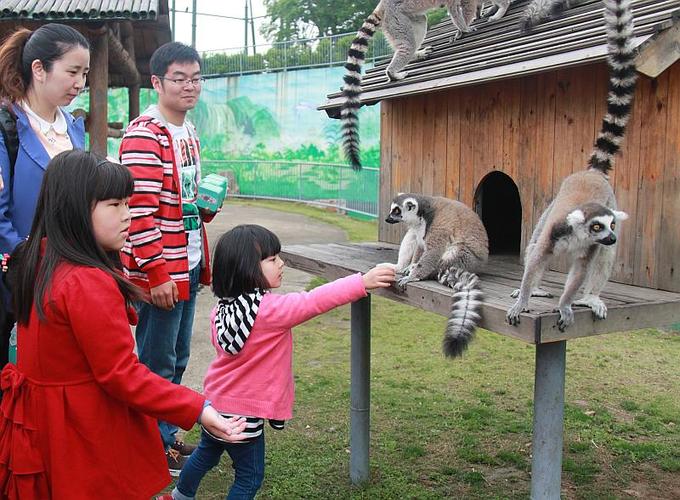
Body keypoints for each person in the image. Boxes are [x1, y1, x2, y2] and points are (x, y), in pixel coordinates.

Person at [0, 150, 248, 499]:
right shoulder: (86, 281)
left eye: (127, 204)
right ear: (73, 208)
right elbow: (121, 373)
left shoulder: (37, 259)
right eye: (115, 204)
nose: (127, 216)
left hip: (41, 423)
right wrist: (198, 407)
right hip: (79, 430)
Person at [164, 224, 395, 500]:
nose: (281, 263)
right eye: (272, 259)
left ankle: (179, 496)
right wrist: (361, 282)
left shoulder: (223, 308)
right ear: (246, 267)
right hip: (244, 415)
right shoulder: (269, 311)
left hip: (214, 406)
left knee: (205, 455)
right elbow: (314, 301)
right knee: (249, 477)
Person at [119, 41, 213, 472]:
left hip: (188, 263)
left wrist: (202, 207)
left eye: (195, 78)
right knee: (154, 364)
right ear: (157, 82)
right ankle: (147, 448)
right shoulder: (144, 133)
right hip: (162, 271)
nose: (189, 86)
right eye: (179, 78)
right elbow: (137, 212)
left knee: (176, 357)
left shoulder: (187, 131)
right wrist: (156, 274)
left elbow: (176, 201)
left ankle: (165, 437)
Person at [0, 23, 88, 380]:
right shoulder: (7, 125)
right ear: (39, 69)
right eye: (71, 72)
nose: (79, 83)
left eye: (84, 73)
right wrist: (29, 262)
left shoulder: (74, 127)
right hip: (19, 283)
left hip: (70, 280)